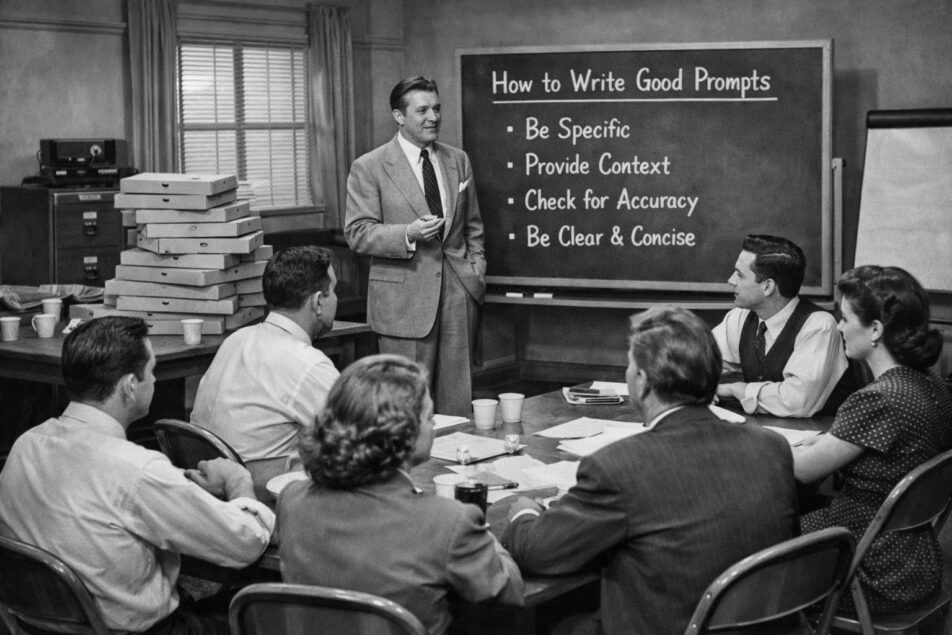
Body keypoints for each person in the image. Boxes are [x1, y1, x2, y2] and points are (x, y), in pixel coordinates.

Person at [501, 306, 799, 635]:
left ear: (642, 381)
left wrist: (523, 513)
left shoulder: (618, 467)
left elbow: (538, 552)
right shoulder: (773, 448)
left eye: (629, 365)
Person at [0, 317, 273, 634]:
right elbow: (245, 543)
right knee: (267, 611)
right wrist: (238, 482)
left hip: (35, 627)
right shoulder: (137, 469)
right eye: (152, 371)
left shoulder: (25, 445)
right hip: (140, 631)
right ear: (130, 386)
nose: (154, 380)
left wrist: (179, 486)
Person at [278, 354, 523, 635]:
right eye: (428, 417)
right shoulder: (448, 521)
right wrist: (481, 525)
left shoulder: (292, 501)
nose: (433, 424)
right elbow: (510, 590)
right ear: (404, 434)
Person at [794, 266, 952, 616]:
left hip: (866, 568)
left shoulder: (878, 398)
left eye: (844, 318)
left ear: (876, 330)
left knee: (745, 547)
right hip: (915, 561)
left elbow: (803, 471)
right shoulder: (931, 385)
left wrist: (759, 446)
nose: (838, 327)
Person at [344, 76, 486, 417]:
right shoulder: (370, 166)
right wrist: (408, 233)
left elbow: (473, 226)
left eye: (436, 109)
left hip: (458, 295)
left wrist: (476, 270)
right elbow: (357, 232)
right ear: (399, 116)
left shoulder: (457, 160)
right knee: (405, 408)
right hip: (403, 303)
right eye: (422, 110)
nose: (433, 117)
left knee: (457, 406)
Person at [191, 246, 340, 462]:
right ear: (318, 302)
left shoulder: (235, 340)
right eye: (334, 290)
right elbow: (359, 437)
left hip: (209, 475)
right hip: (262, 482)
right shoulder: (309, 365)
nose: (336, 298)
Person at [713, 233, 853, 417]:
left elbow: (796, 401)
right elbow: (699, 361)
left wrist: (735, 389)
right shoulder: (740, 317)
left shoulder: (819, 326)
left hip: (817, 433)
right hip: (760, 430)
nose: (731, 281)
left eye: (739, 275)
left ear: (767, 287)